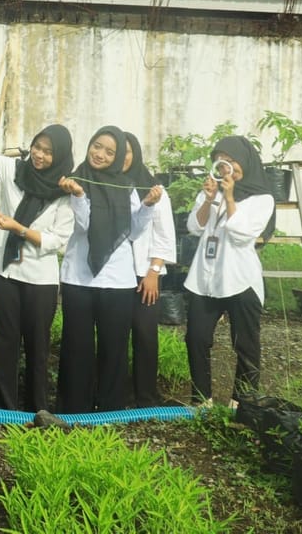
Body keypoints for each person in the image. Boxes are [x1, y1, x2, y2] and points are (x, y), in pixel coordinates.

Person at [56, 126, 161, 413]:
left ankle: (110, 410)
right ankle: (74, 410)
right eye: (97, 146)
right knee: (77, 348)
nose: (100, 154)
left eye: (109, 151)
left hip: (118, 280)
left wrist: (147, 206)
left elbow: (133, 232)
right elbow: (85, 226)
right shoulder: (72, 181)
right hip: (79, 276)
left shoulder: (125, 185)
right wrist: (78, 196)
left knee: (114, 349)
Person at [0, 123, 75, 412]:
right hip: (4, 271)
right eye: (37, 147)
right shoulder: (14, 171)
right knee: (3, 342)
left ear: (58, 157)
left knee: (37, 347)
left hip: (39, 280)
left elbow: (57, 240)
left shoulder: (64, 191)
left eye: (48, 152)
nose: (40, 155)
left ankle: (37, 410)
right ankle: (2, 408)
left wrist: (18, 229)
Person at [184, 135, 275, 407]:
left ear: (245, 161)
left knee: (245, 344)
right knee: (196, 339)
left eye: (232, 161)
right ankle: (202, 400)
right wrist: (210, 199)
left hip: (240, 280)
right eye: (220, 162)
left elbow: (241, 234)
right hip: (205, 278)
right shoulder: (210, 192)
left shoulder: (263, 198)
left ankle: (243, 403)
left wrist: (231, 197)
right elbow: (194, 227)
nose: (227, 168)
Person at [122, 132, 176, 408]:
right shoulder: (108, 184)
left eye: (128, 151)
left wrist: (153, 271)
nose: (123, 156)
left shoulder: (153, 189)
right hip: (115, 275)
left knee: (144, 334)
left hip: (145, 274)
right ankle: (117, 395)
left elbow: (164, 235)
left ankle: (145, 396)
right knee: (116, 334)